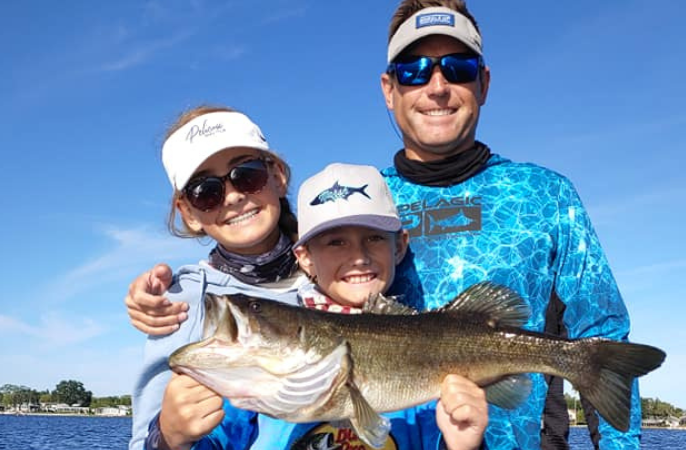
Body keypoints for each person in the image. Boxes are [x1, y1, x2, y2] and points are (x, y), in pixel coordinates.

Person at [129, 1, 641, 449]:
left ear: (483, 82)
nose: (437, 86)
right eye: (415, 70)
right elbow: (261, 248)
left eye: (457, 67)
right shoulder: (363, 192)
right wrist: (167, 291)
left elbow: (602, 333)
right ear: (389, 89)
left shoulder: (547, 195)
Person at [147, 163, 489, 450]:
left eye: (373, 238)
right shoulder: (246, 383)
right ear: (304, 257)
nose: (358, 257)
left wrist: (463, 445)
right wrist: (169, 437)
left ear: (399, 246)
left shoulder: (432, 377)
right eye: (335, 242)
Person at [127, 105, 310, 450]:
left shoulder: (344, 269)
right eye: (206, 190)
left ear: (278, 176)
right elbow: (143, 442)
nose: (234, 196)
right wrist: (167, 436)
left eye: (247, 173)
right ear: (188, 213)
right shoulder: (181, 304)